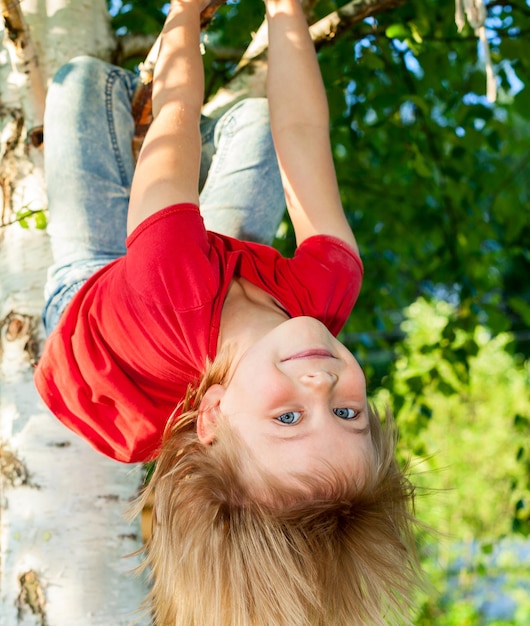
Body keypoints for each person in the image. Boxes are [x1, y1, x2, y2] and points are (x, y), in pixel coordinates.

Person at [35, 0, 423, 623]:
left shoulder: (169, 272)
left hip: (93, 304)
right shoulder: (323, 299)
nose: (323, 383)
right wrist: (284, 9)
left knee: (80, 83)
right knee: (263, 123)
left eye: (291, 416)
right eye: (348, 412)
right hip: (201, 288)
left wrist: (184, 13)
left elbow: (177, 115)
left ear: (212, 414)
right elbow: (303, 133)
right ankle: (169, 188)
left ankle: (147, 161)